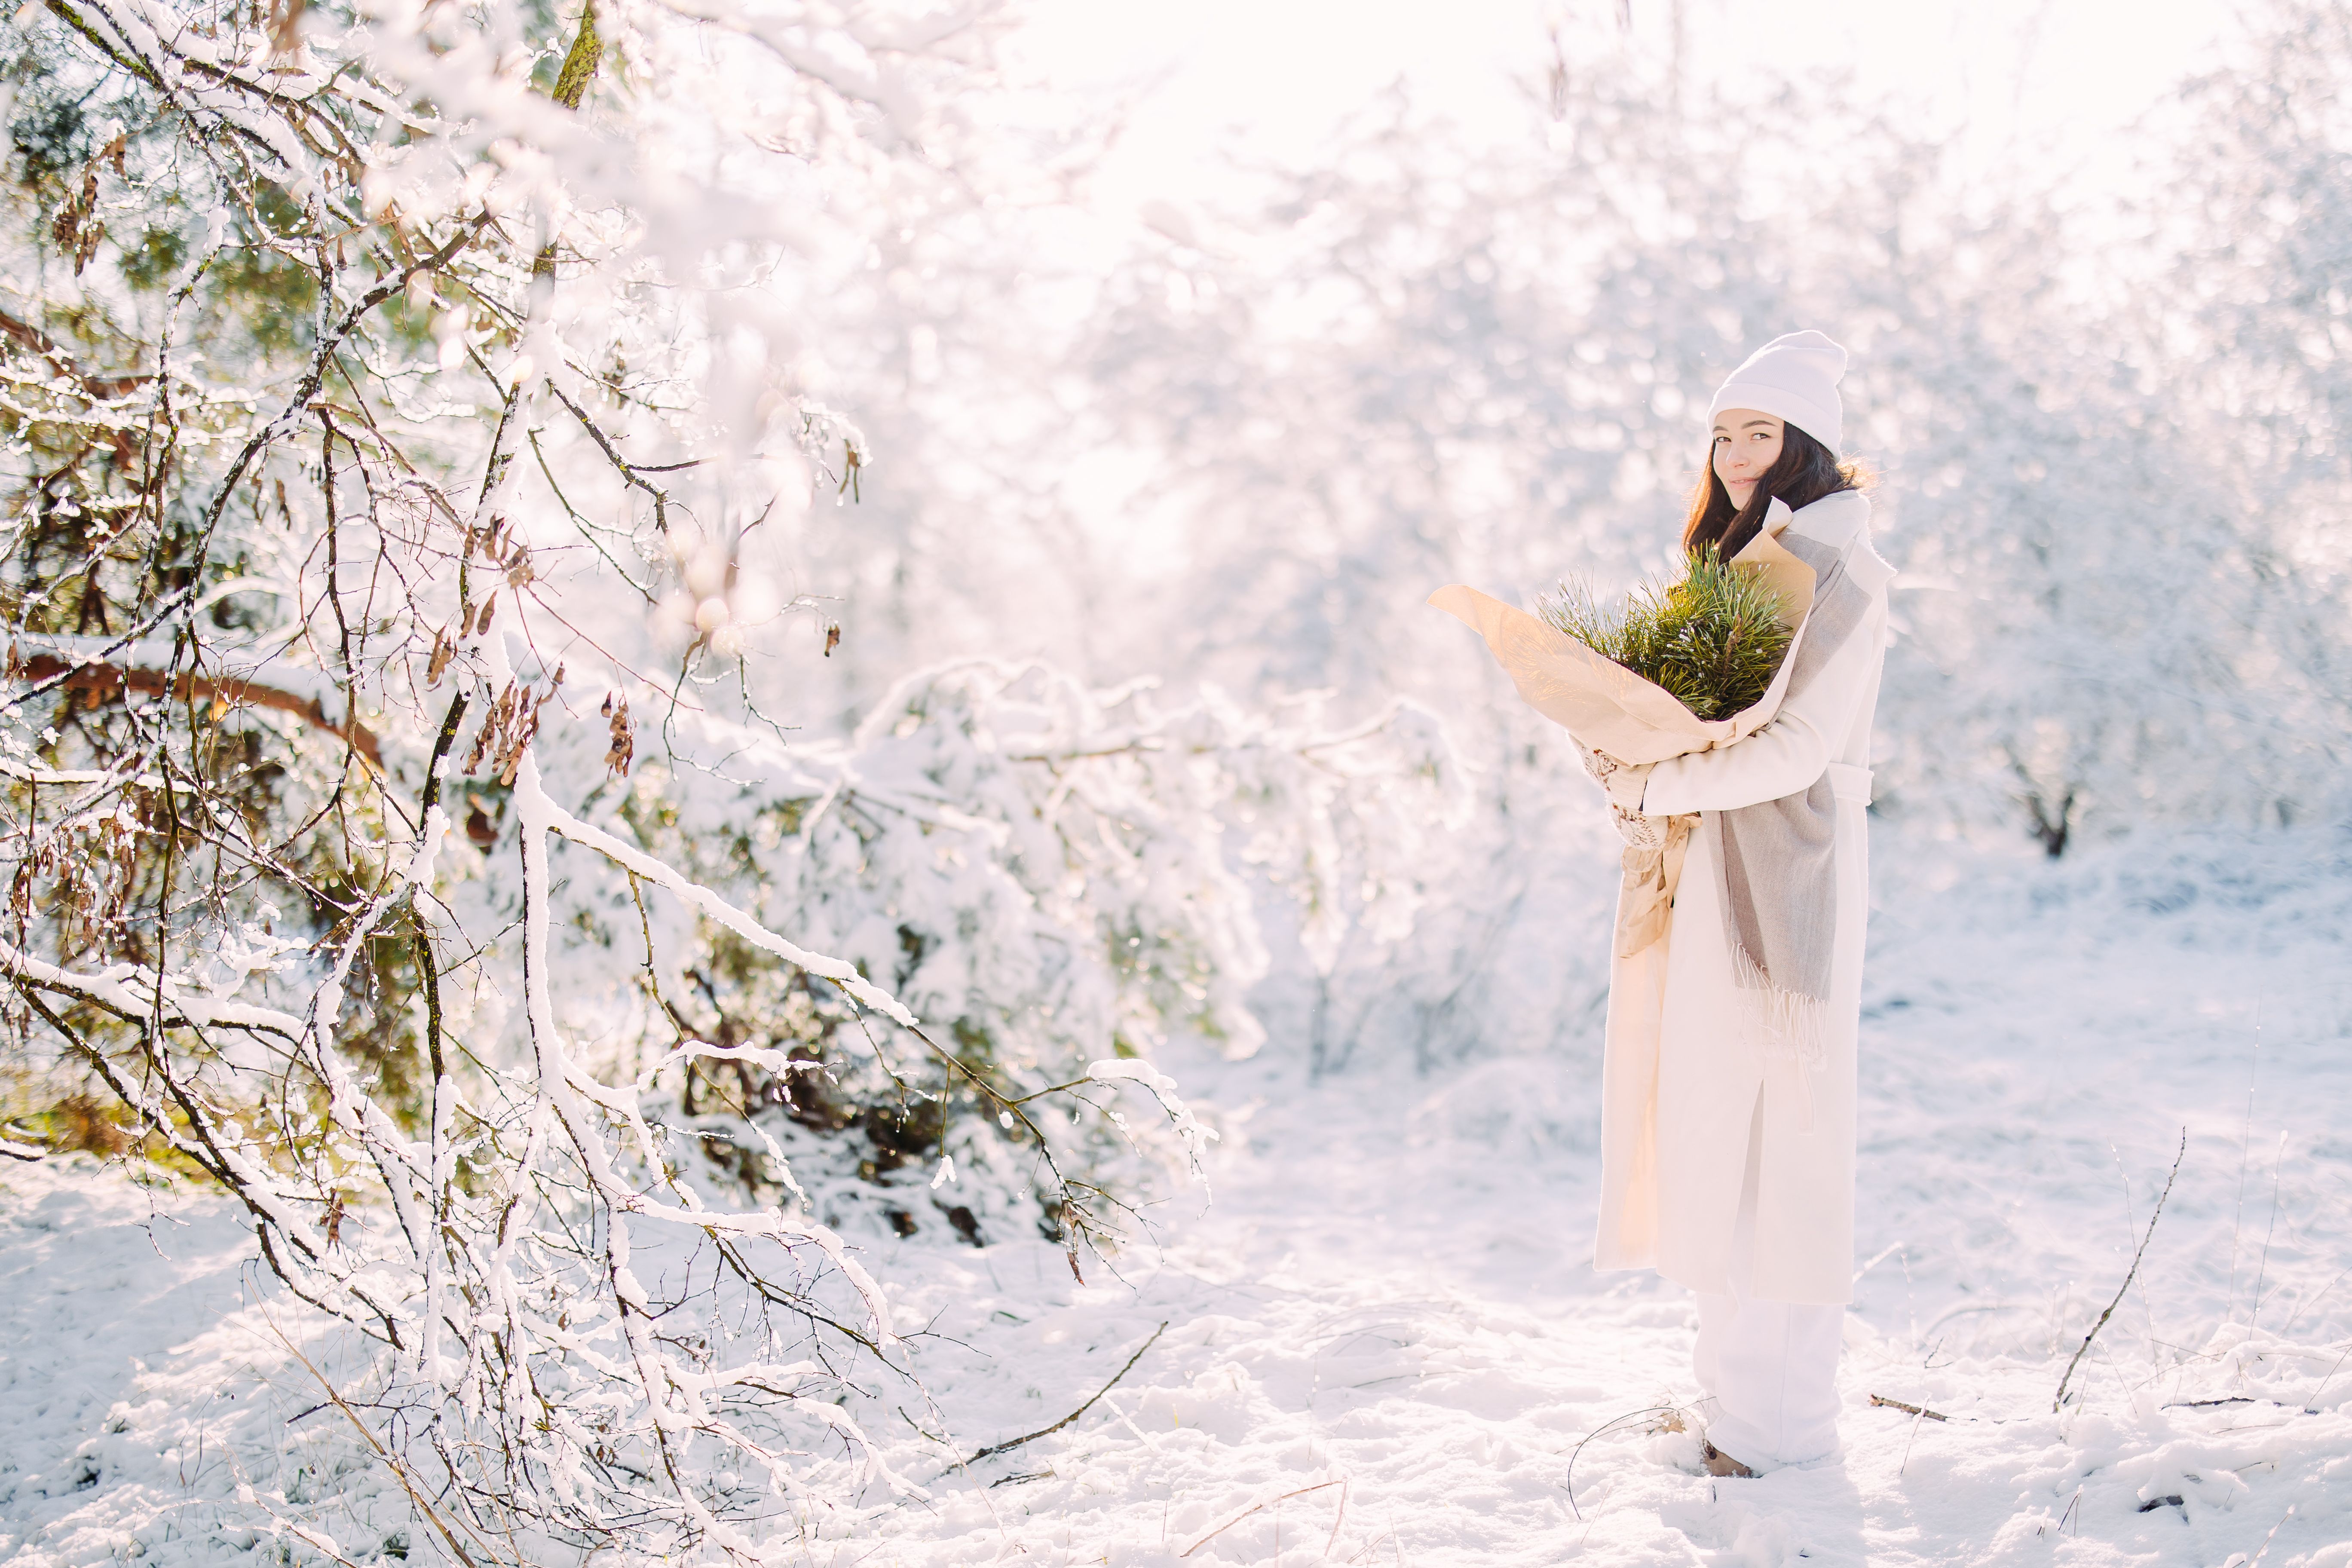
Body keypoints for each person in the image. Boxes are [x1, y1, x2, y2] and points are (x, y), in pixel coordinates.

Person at [1580, 331, 1895, 1477]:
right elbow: (1714, 725)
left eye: (1758, 432)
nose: (1734, 453)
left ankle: (1779, 1433)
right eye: (1720, 434)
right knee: (1719, 1129)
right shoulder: (1739, 565)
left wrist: (1660, 776)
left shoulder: (1844, 572)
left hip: (1789, 880)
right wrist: (1631, 757)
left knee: (1783, 1147)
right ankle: (1730, 1410)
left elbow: (1802, 747)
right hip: (1714, 873)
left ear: (1807, 444)